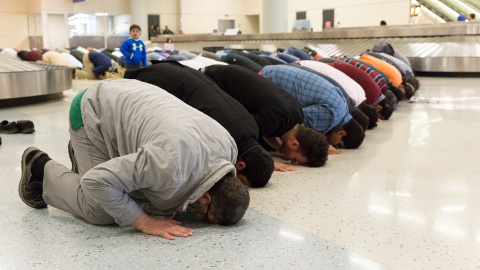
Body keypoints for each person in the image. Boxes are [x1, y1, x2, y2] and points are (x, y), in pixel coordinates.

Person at [18, 79, 250, 240]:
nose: (202, 219)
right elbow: (96, 181)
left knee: (136, 195)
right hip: (92, 109)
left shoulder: (228, 147)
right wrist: (144, 222)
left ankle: (86, 156)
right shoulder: (169, 164)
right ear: (207, 196)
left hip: (128, 93)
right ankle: (39, 167)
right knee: (102, 211)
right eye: (207, 217)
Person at [124, 61, 274, 187]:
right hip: (160, 81)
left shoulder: (251, 127)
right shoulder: (224, 141)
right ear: (241, 165)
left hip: (180, 72)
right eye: (240, 180)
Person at [203, 65, 329, 171]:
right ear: (294, 144)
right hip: (211, 79)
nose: (292, 161)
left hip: (222, 73)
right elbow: (240, 137)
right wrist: (268, 162)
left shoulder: (296, 115)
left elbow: (266, 129)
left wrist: (280, 148)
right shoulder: (275, 118)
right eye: (295, 159)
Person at [260, 65, 365, 150]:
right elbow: (292, 124)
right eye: (338, 145)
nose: (334, 146)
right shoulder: (331, 116)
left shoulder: (342, 109)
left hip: (272, 73)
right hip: (265, 81)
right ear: (341, 132)